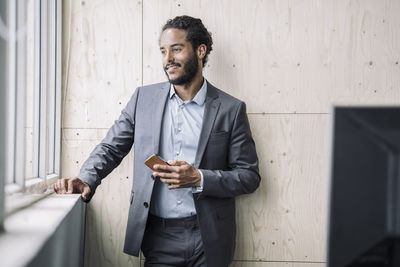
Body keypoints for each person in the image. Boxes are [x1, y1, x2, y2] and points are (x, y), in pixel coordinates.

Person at [54, 15, 260, 267]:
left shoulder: (231, 108)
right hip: (157, 235)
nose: (168, 59)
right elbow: (111, 147)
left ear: (200, 50)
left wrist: (198, 178)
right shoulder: (143, 99)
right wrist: (86, 177)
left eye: (176, 49)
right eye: (163, 51)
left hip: (209, 236)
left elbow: (249, 176)